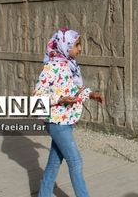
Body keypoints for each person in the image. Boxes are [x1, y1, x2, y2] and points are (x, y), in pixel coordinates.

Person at [34, 28, 103, 197]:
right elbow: (37, 96)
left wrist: (92, 95)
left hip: (66, 121)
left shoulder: (70, 65)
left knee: (54, 161)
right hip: (56, 122)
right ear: (65, 45)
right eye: (76, 45)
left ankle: (44, 194)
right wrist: (61, 99)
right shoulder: (51, 67)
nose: (80, 49)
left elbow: (75, 90)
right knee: (75, 161)